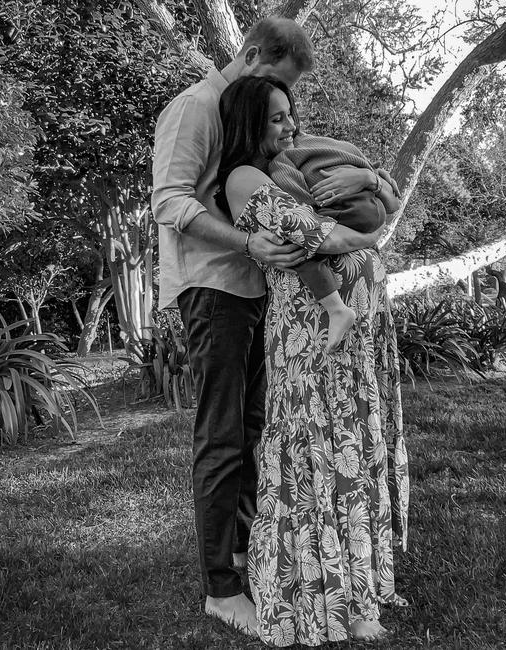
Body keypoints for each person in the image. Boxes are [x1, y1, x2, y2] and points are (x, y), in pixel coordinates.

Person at [151, 17, 383, 636]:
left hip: (260, 288)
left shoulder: (247, 115)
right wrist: (249, 243)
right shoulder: (197, 107)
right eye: (277, 84)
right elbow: (171, 200)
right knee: (224, 434)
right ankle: (219, 589)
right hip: (215, 288)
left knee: (259, 429)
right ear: (251, 54)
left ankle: (252, 558)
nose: (285, 111)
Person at [216, 75, 410, 646]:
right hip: (310, 335)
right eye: (277, 118)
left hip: (359, 331)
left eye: (290, 115)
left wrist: (370, 185)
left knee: (357, 445)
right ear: (251, 123)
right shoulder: (243, 177)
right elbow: (315, 232)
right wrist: (363, 231)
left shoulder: (301, 169)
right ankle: (324, 591)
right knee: (319, 452)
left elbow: (387, 204)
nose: (290, 126)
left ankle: (359, 589)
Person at [269, 133, 401, 352]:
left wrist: (314, 210)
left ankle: (336, 309)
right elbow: (392, 203)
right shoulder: (334, 145)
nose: (288, 126)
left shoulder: (282, 159)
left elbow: (298, 207)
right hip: (371, 206)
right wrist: (376, 177)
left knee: (297, 247)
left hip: (350, 210)